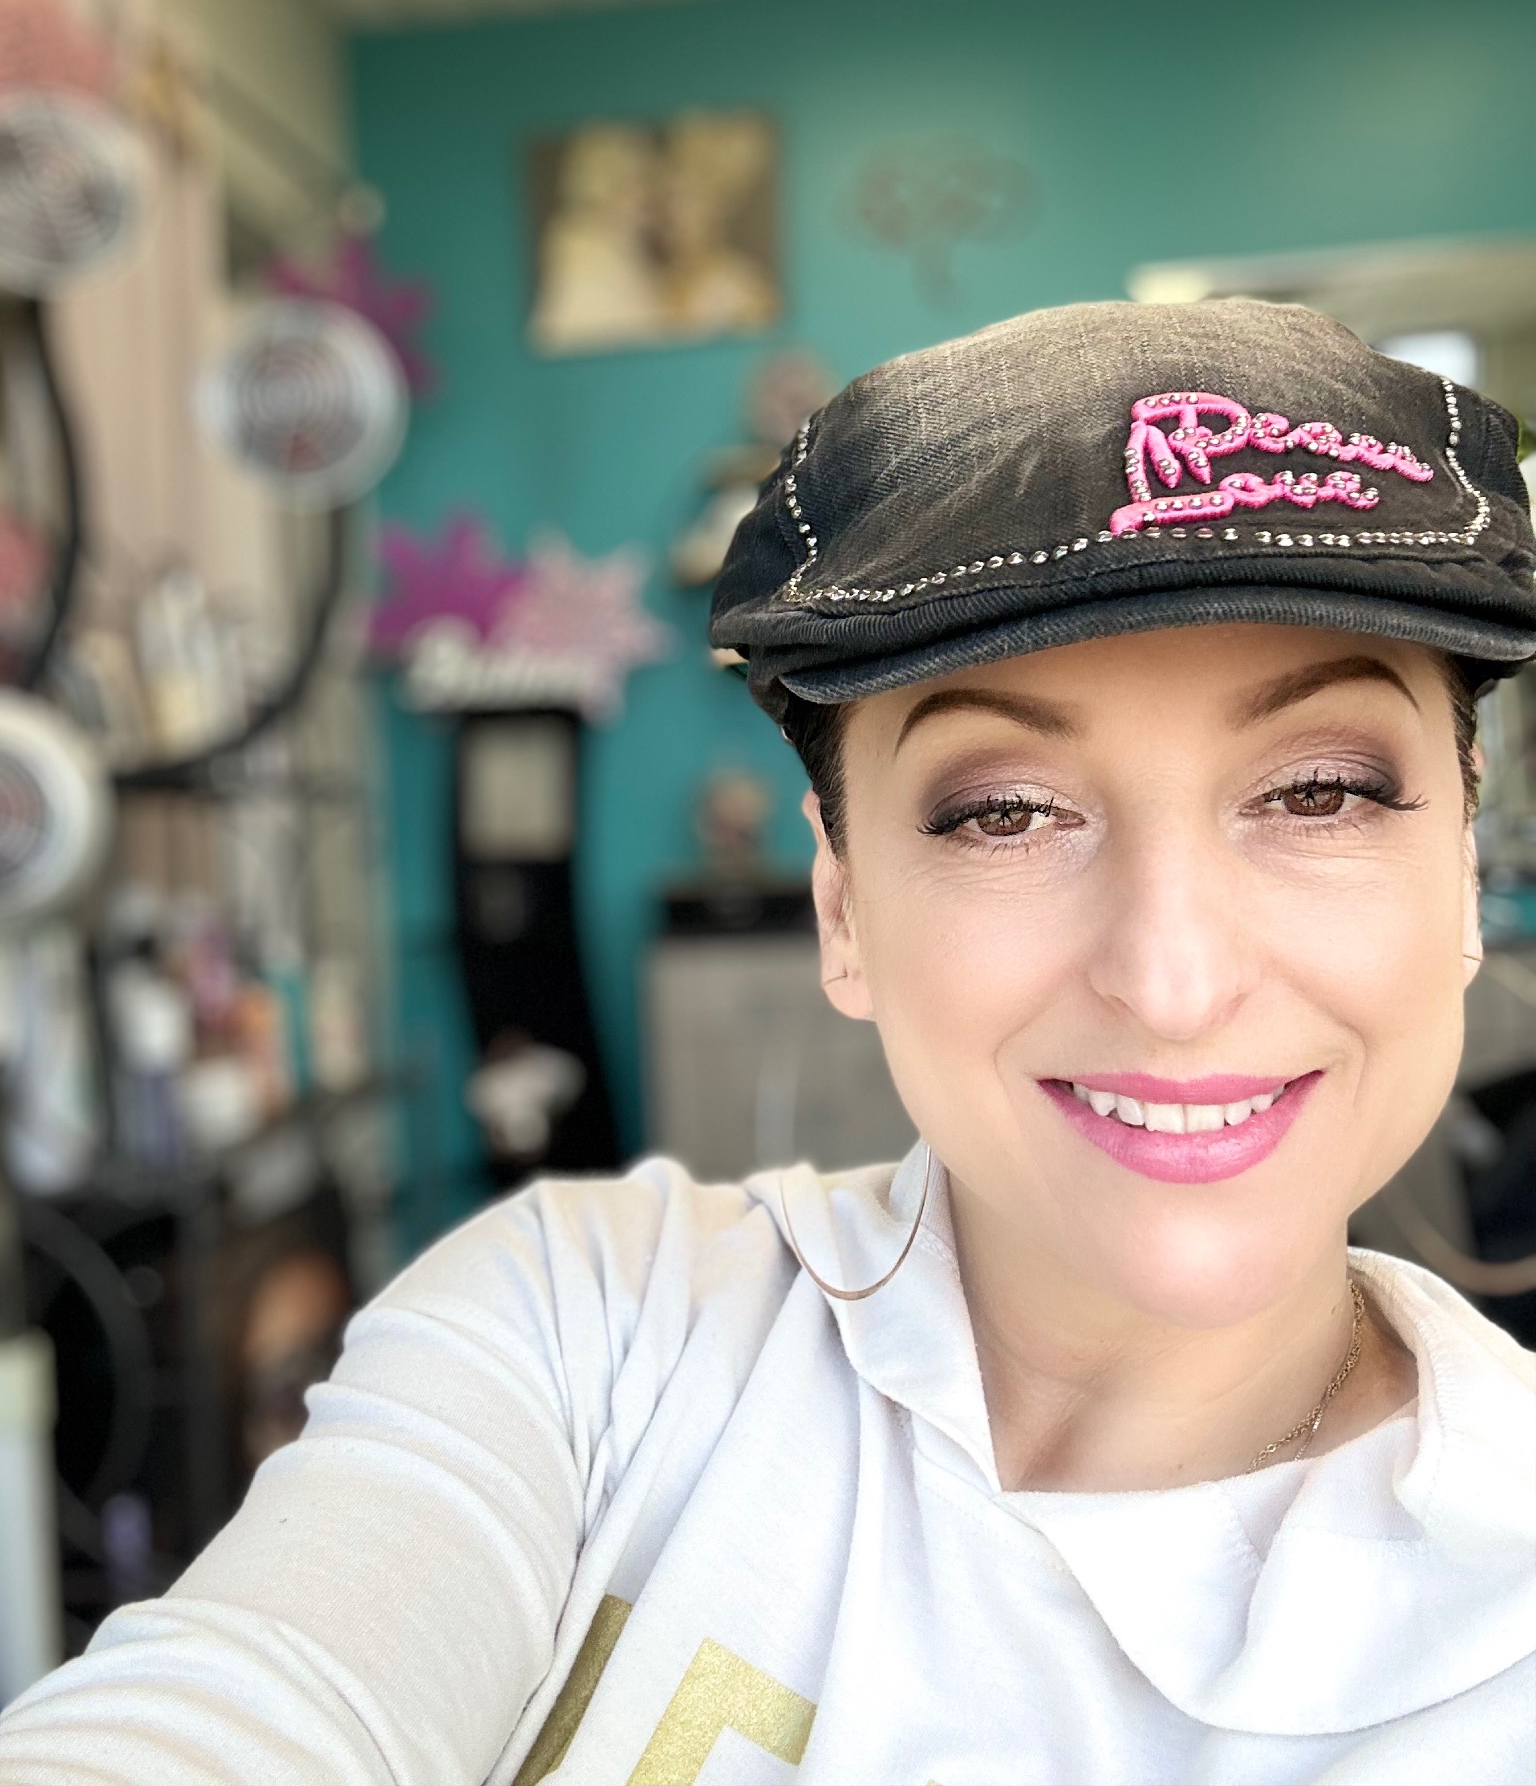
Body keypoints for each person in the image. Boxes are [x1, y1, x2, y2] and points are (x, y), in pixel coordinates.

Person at [2, 299, 1533, 1784]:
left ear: (1461, 864)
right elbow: (246, 1700)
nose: (1176, 980)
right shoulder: (593, 1335)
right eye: (1006, 812)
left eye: (1321, 792)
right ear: (843, 906)